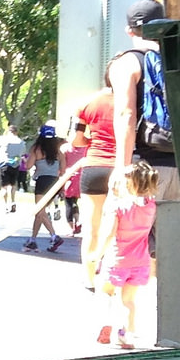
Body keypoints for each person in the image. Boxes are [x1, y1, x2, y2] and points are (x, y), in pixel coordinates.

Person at [107, 0, 180, 205]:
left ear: (129, 30)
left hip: (145, 171)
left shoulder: (127, 63)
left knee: (137, 236)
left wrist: (122, 169)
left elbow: (126, 115)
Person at [91, 159, 160, 348]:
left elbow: (109, 233)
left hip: (117, 259)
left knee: (106, 292)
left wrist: (97, 254)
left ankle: (107, 324)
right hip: (140, 261)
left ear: (128, 183)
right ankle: (127, 333)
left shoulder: (118, 207)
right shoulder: (150, 207)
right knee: (129, 301)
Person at [69, 87, 116, 288]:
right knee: (118, 228)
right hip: (120, 168)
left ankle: (89, 278)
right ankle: (112, 277)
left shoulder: (85, 104)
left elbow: (75, 140)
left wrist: (93, 141)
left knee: (91, 228)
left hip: (94, 164)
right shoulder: (129, 102)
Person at [22, 124, 63, 252]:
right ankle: (32, 240)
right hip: (54, 182)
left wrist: (24, 160)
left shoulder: (36, 149)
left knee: (40, 211)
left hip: (42, 180)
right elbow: (63, 167)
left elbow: (28, 166)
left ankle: (54, 235)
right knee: (41, 212)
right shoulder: (58, 150)